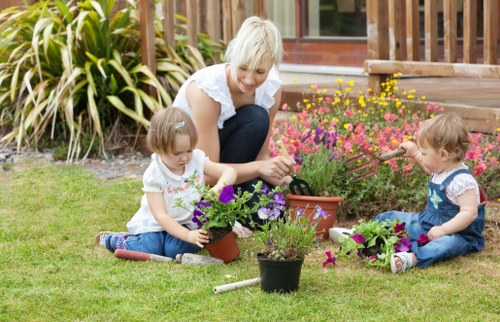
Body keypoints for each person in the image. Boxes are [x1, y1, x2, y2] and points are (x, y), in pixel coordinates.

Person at [172, 16, 294, 235]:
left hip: (232, 172)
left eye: (259, 71)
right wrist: (258, 169)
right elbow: (206, 173)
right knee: (255, 116)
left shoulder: (271, 87)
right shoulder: (206, 91)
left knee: (273, 217)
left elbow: (260, 157)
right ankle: (220, 210)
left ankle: (233, 204)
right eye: (244, 67)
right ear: (233, 56)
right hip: (191, 174)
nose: (249, 79)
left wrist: (285, 178)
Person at [95, 107, 237, 258]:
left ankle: (175, 240)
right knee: (150, 248)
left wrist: (218, 188)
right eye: (177, 153)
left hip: (184, 223)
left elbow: (229, 172)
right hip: (154, 225)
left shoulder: (196, 159)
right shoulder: (154, 173)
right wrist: (188, 236)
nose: (185, 158)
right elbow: (161, 215)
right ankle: (116, 240)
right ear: (159, 148)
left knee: (173, 251)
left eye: (189, 150)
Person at [375, 113, 486, 273]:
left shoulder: (463, 181)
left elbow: (469, 213)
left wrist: (444, 230)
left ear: (442, 155)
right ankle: (366, 233)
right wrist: (415, 153)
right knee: (392, 217)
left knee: (446, 245)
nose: (423, 157)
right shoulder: (442, 169)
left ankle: (412, 258)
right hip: (427, 224)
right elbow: (428, 167)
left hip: (457, 234)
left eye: (425, 153)